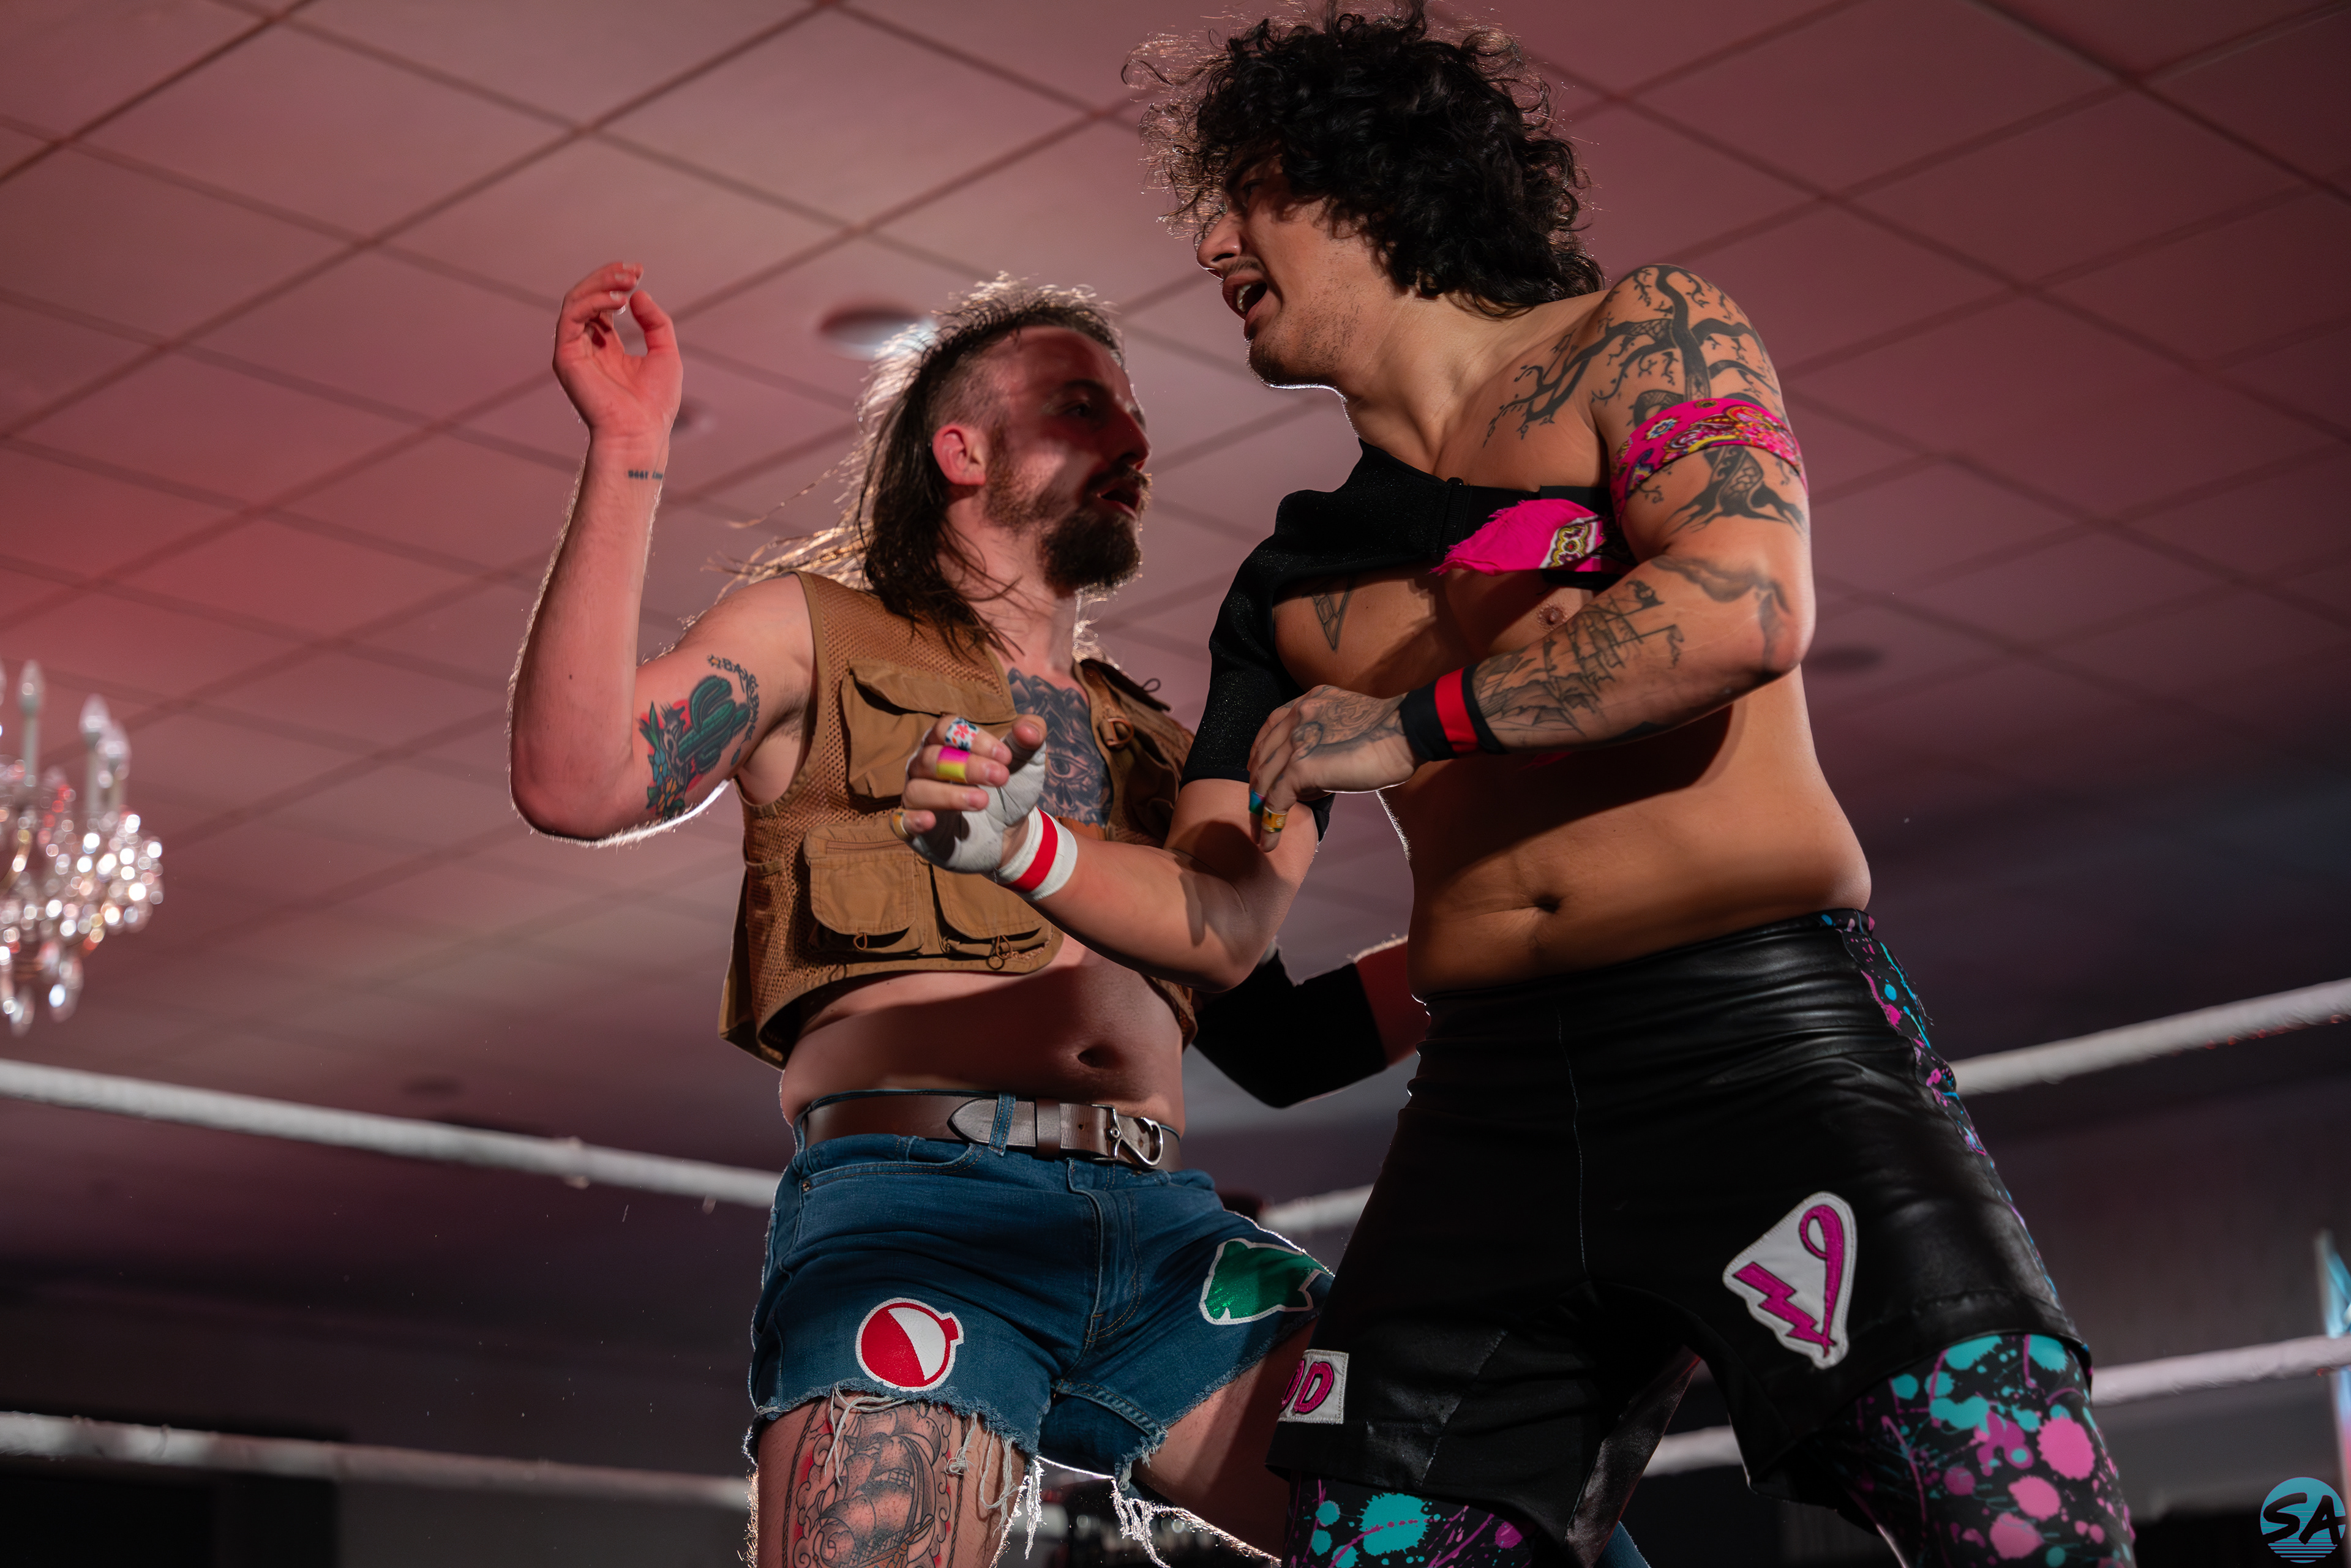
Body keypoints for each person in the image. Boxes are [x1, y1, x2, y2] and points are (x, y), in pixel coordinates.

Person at [892, 7, 2135, 1567]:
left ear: (1372, 183)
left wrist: (1416, 724)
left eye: (1251, 192)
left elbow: (1744, 608)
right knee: (1373, 1544)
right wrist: (1031, 851)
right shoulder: (1290, 575)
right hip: (1490, 1103)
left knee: (2018, 1516)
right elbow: (1227, 929)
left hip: (1755, 1038)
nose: (1214, 242)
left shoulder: (1641, 336)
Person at [510, 266, 1431, 1568]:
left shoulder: (1162, 745)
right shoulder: (816, 634)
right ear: (963, 450)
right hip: (921, 1210)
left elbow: (1282, 1044)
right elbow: (576, 779)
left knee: (1467, 1511)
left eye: (1134, 414)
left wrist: (1518, 943)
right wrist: (627, 448)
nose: (1133, 439)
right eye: (1083, 407)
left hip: (1166, 1233)